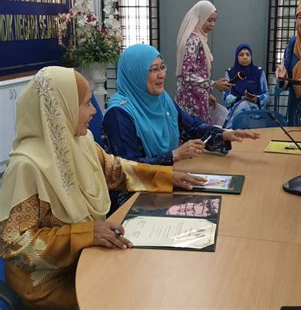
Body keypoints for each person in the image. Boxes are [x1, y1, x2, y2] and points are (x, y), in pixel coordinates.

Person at [0, 67, 203, 309]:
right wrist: (86, 234)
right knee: (124, 299)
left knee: (147, 281)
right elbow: (16, 246)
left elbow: (115, 170)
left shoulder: (81, 141)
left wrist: (167, 176)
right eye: (86, 104)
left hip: (87, 257)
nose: (94, 111)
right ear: (59, 108)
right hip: (48, 280)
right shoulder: (26, 165)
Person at [103, 44, 260, 208]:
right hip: (133, 199)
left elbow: (192, 127)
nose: (161, 75)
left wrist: (224, 134)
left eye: (162, 68)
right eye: (153, 70)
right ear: (135, 74)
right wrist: (174, 155)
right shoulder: (119, 114)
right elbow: (129, 169)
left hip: (167, 181)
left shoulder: (162, 100)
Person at [175, 0, 232, 123]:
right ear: (200, 18)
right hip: (190, 101)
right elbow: (188, 75)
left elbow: (198, 72)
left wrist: (207, 93)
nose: (212, 25)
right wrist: (214, 84)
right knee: (193, 135)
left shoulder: (199, 39)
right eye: (209, 20)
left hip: (196, 97)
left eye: (214, 21)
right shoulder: (193, 40)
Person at [223, 43, 269, 128]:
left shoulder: (259, 72)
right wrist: (240, 98)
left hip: (255, 111)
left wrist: (256, 99)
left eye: (248, 54)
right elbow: (226, 98)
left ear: (251, 56)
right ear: (237, 57)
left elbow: (266, 94)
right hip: (236, 110)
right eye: (241, 55)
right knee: (243, 105)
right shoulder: (230, 73)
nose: (245, 57)